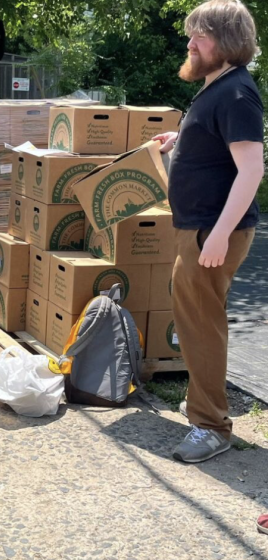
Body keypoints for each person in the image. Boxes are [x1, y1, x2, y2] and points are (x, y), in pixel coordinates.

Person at [152, 0, 264, 463]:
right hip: (201, 229)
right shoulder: (217, 88)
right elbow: (221, 145)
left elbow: (251, 168)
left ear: (226, 41)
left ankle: (211, 425)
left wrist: (218, 234)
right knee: (197, 321)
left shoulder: (236, 93)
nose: (190, 43)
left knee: (201, 326)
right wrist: (183, 140)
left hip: (212, 233)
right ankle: (204, 403)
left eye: (200, 35)